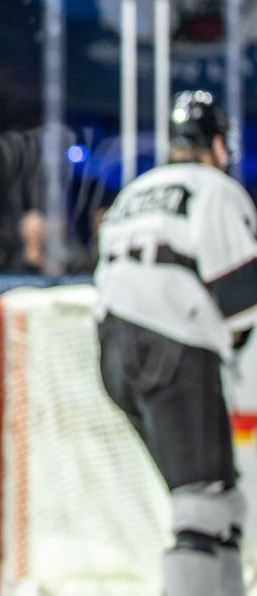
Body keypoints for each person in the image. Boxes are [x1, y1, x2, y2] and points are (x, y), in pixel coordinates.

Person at [94, 90, 257, 596]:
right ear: (215, 144)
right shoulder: (215, 189)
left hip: (113, 355)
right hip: (174, 347)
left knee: (219, 501)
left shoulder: (134, 192)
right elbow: (241, 298)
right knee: (203, 505)